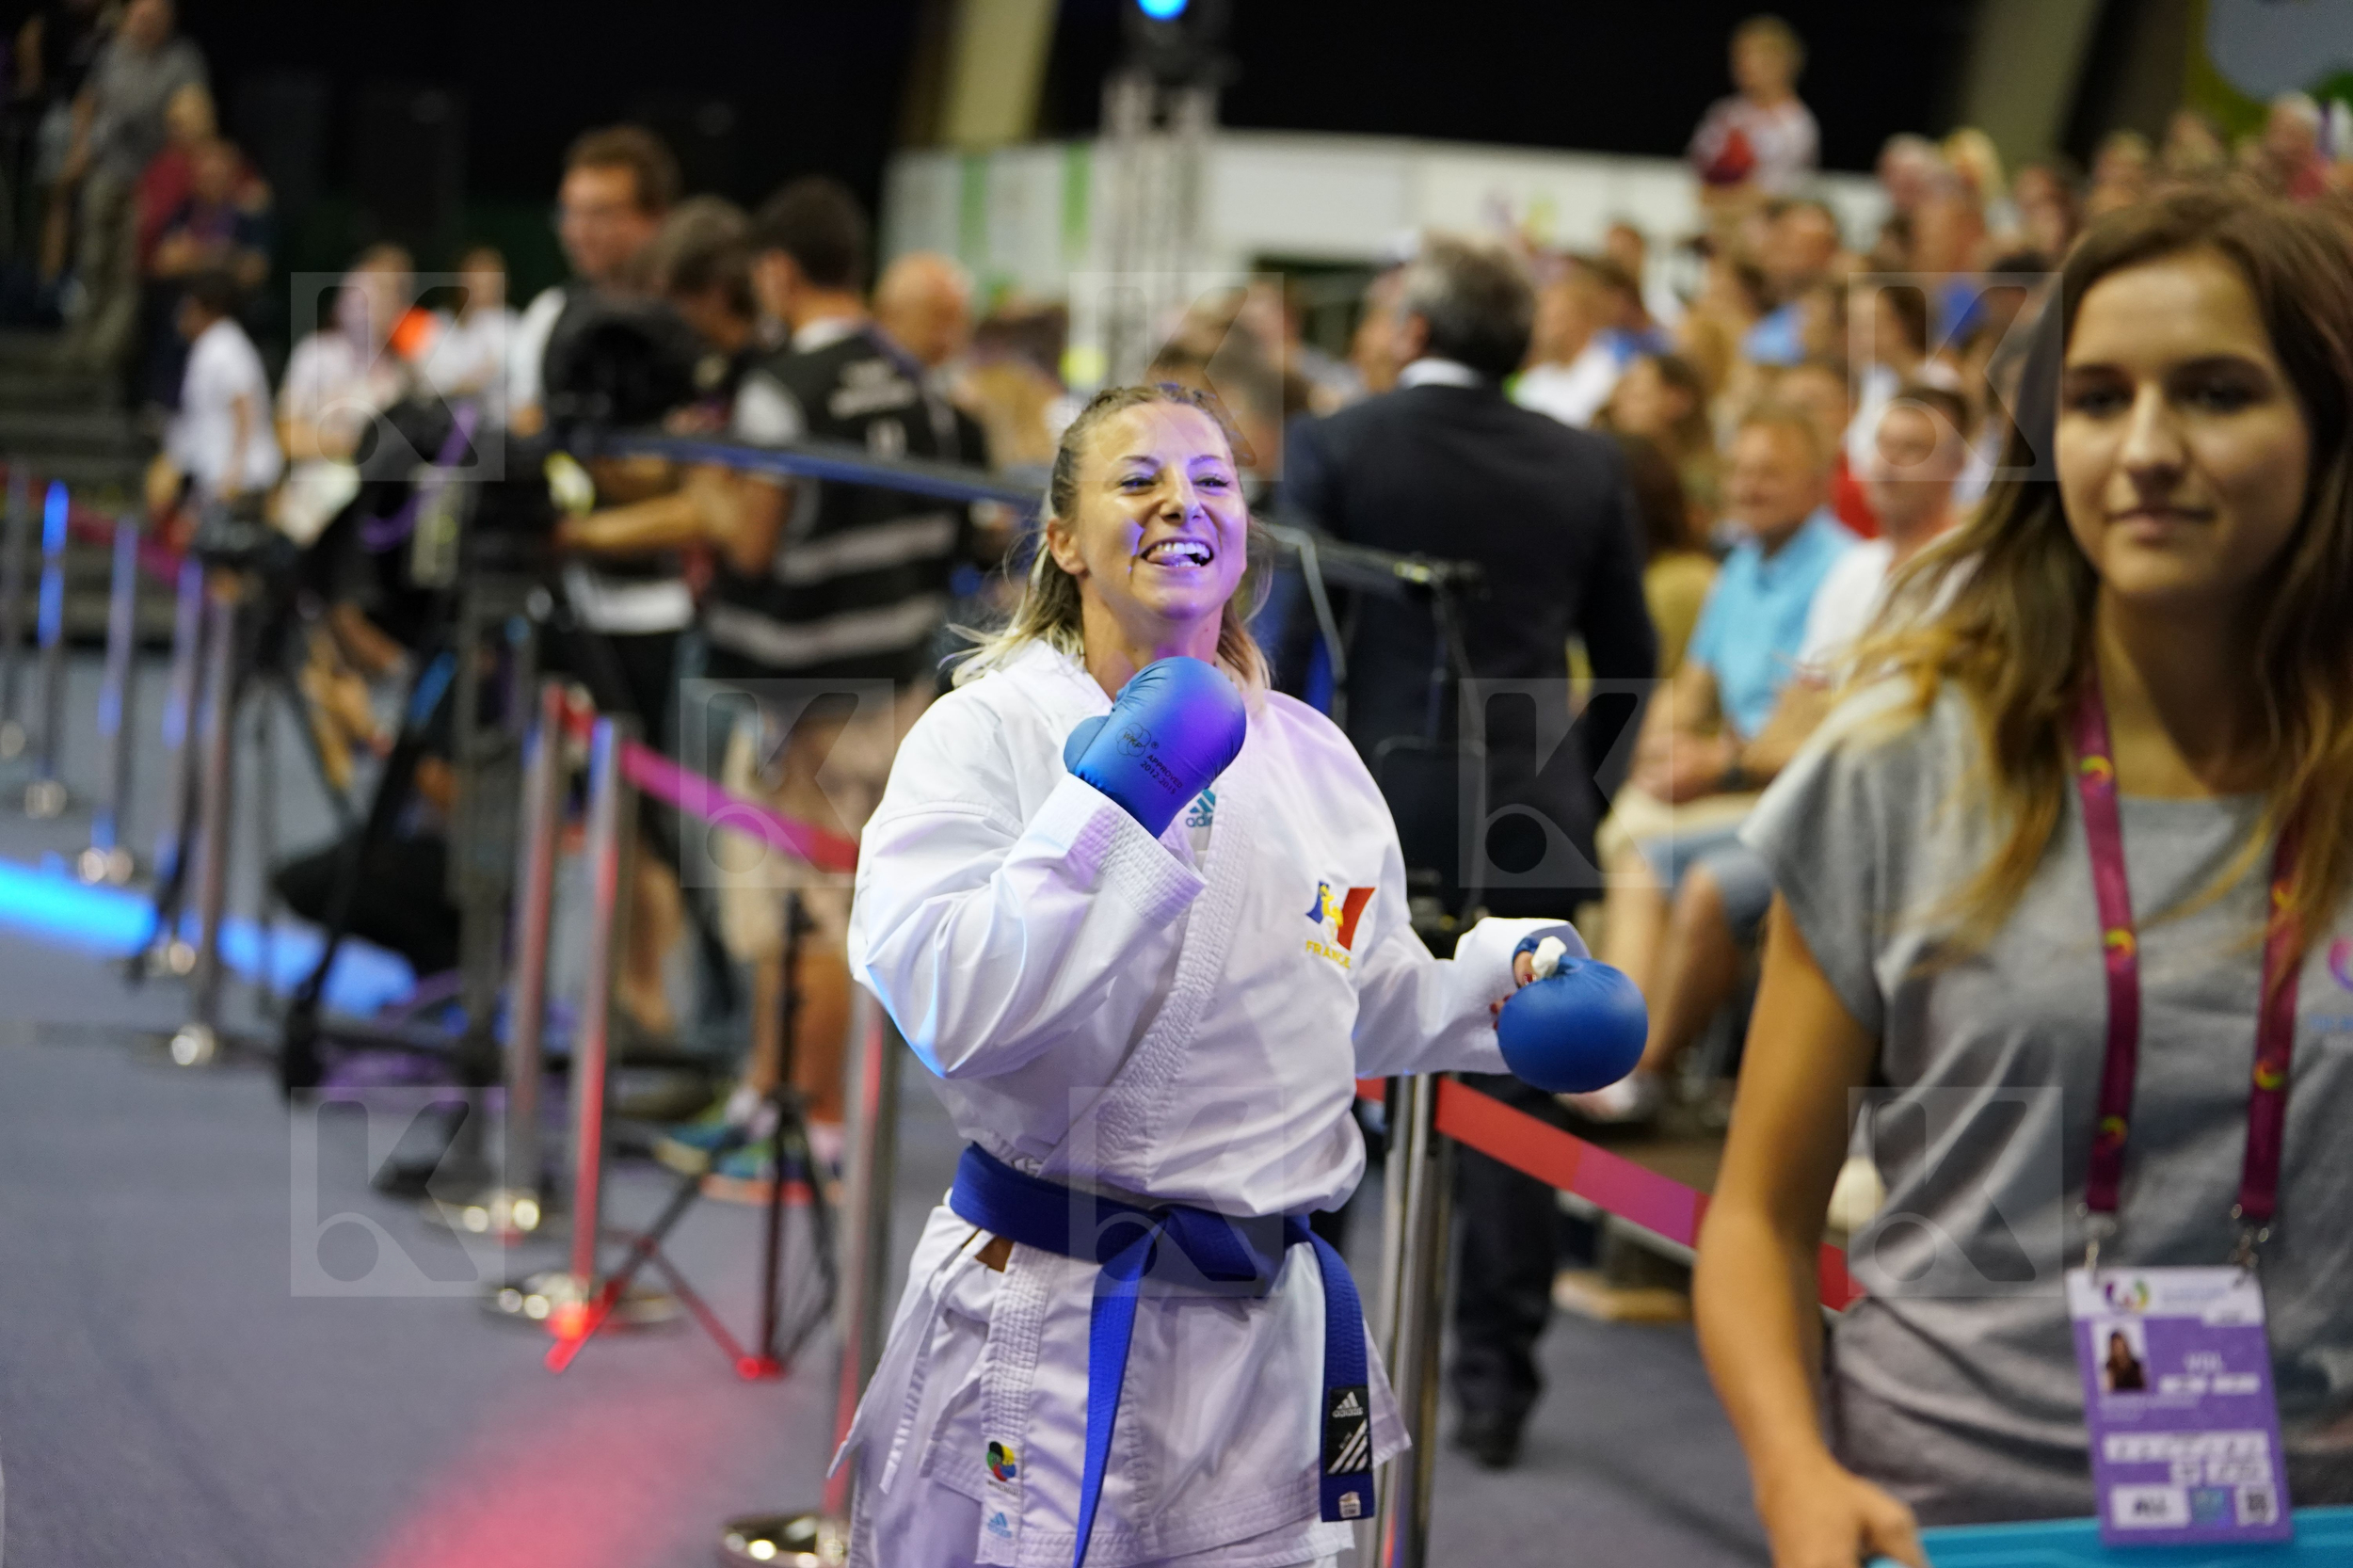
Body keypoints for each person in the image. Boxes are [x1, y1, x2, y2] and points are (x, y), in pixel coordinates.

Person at [839, 377, 1625, 1566]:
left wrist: (1493, 995)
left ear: (1246, 532)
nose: (1179, 505)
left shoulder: (1311, 757)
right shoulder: (984, 732)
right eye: (1137, 480)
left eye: (1212, 482)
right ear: (1062, 539)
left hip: (1261, 1332)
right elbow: (953, 1009)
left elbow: (1349, 1003)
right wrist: (1111, 803)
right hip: (1050, 1315)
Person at [1694, 191, 2353, 1563]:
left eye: (2219, 392)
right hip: (1946, 1520)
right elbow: (1758, 1213)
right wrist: (1790, 1472)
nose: (2149, 449)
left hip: (2313, 1516)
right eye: (2101, 398)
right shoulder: (1899, 768)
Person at [1288, 233, 1657, 1470]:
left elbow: (1288, 648)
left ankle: (1298, 1363)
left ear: (1411, 332)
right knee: (1510, 1091)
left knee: (1321, 1074)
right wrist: (1578, 788)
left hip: (1363, 805)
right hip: (1528, 804)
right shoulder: (1584, 460)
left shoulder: (1340, 442)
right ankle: (1493, 1391)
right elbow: (1633, 655)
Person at [668, 176, 976, 1194]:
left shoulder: (780, 390)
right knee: (788, 914)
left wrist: (703, 493)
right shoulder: (922, 388)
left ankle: (816, 1131)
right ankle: (768, 1100)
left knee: (811, 917)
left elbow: (750, 541)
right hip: (890, 690)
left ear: (776, 270)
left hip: (803, 706)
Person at [1585, 386, 1972, 1121]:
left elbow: (1867, 730)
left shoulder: (1966, 574)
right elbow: (1804, 707)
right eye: (1882, 446)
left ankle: (1643, 1077)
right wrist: (1678, 745)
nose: (1889, 464)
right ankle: (1613, 1057)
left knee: (1702, 881)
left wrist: (1727, 761)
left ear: (1955, 466)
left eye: (1911, 449)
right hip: (1811, 794)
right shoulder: (1858, 574)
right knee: (1641, 853)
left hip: (1898, 817)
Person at [1591, 406, 1852, 1113]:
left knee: (1668, 855)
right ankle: (1606, 1050)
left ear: (1816, 484)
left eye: (1768, 473)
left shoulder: (1842, 571)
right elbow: (1693, 688)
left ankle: (1639, 1071)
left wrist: (1712, 759)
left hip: (1793, 790)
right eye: (1738, 471)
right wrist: (1655, 746)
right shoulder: (1737, 565)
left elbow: (1812, 727)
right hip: (1733, 774)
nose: (1747, 486)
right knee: (1629, 835)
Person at [58, 0, 203, 373]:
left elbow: (192, 115)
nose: (145, 24)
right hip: (106, 168)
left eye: (154, 18)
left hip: (150, 179)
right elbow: (87, 102)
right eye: (140, 16)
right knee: (92, 258)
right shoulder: (114, 54)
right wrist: (79, 149)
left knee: (129, 267)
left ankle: (102, 354)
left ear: (168, 21)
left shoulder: (181, 60)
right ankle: (78, 338)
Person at [506, 124, 677, 432]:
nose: (577, 232)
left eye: (600, 213)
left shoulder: (698, 316)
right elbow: (526, 428)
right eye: (569, 213)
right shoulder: (549, 315)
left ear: (657, 217)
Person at [144, 266, 279, 523]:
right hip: (216, 480)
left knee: (226, 560)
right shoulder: (210, 345)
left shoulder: (225, 345)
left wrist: (235, 473)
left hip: (242, 483)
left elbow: (245, 406)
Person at [1687, 14, 1817, 203]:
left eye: (1758, 56)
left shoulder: (1797, 125)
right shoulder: (1724, 112)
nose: (1745, 66)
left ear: (1784, 62)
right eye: (1740, 56)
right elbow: (1697, 167)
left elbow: (1776, 193)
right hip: (1711, 215)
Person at [2103, 1332, 2147, 1396]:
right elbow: (2108, 1389)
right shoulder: (2109, 1366)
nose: (2119, 1348)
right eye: (2116, 1346)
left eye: (2120, 1344)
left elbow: (2144, 1386)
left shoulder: (2136, 1365)